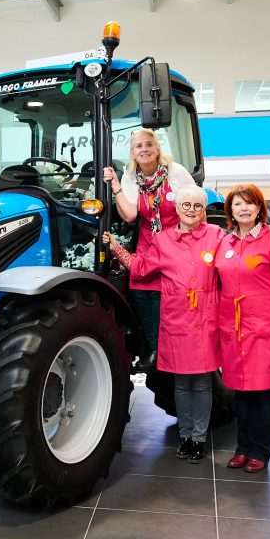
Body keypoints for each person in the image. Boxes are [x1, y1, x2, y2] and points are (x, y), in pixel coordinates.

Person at [105, 185, 223, 462]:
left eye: (196, 206)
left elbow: (234, 266)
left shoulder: (217, 237)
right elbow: (140, 268)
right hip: (176, 320)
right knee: (181, 384)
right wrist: (116, 249)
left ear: (203, 209)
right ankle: (185, 436)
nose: (191, 210)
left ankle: (199, 438)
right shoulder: (164, 240)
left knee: (203, 384)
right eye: (186, 205)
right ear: (177, 208)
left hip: (205, 319)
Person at [214, 184, 270, 473]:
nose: (243, 209)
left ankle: (260, 450)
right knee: (240, 390)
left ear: (259, 208)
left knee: (261, 391)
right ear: (230, 211)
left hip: (265, 328)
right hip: (232, 328)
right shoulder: (225, 243)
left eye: (249, 203)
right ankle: (242, 447)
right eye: (237, 204)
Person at [102, 128, 195, 369]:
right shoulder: (131, 177)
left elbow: (196, 207)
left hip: (177, 245)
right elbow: (132, 214)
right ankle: (155, 350)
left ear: (157, 148)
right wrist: (115, 185)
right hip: (148, 246)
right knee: (141, 292)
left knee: (165, 299)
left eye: (148, 145)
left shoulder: (176, 173)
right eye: (138, 146)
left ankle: (170, 351)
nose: (144, 149)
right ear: (132, 153)